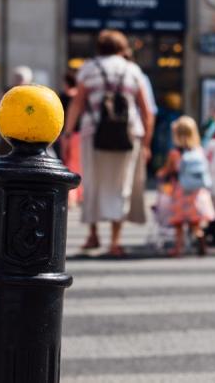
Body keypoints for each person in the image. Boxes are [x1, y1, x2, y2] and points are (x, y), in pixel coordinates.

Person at [63, 29, 154, 257]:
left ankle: (93, 234)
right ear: (122, 47)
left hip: (93, 133)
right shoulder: (132, 70)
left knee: (93, 182)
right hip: (128, 133)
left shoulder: (89, 68)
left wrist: (66, 133)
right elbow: (146, 110)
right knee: (120, 185)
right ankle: (115, 241)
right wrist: (147, 143)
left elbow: (77, 103)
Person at [156, 116, 215, 257]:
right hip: (197, 193)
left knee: (178, 223)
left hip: (180, 193)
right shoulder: (199, 151)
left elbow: (167, 171)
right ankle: (200, 237)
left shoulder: (175, 154)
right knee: (195, 223)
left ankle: (178, 247)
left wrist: (160, 174)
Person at [58, 71, 83, 207]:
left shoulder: (63, 97)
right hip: (81, 135)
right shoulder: (80, 96)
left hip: (68, 134)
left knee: (68, 163)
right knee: (80, 165)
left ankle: (71, 195)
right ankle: (80, 194)